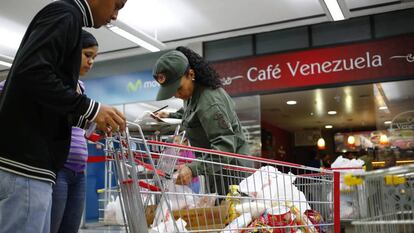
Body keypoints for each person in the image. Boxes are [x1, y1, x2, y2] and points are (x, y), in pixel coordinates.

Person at [0, 1, 127, 232]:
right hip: (26, 165)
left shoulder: (68, 18)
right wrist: (91, 108)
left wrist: (85, 119)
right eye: (117, 5)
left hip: (32, 167)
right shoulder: (66, 14)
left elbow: (43, 97)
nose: (115, 16)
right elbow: (32, 73)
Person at [152, 46, 249, 195]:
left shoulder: (209, 100)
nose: (176, 95)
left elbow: (225, 146)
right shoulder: (192, 95)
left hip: (232, 175)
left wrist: (193, 169)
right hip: (217, 170)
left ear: (191, 74)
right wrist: (169, 116)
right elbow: (191, 115)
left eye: (178, 89)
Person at [50, 30, 98, 233]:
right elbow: (9, 88)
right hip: (58, 168)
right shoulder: (52, 82)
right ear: (71, 52)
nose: (91, 62)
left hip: (79, 173)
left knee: (70, 229)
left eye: (94, 58)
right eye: (87, 55)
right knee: (51, 228)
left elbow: (78, 125)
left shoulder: (80, 86)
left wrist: (94, 127)